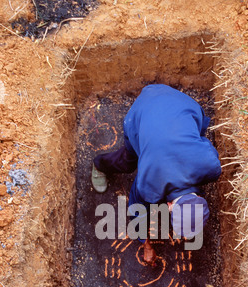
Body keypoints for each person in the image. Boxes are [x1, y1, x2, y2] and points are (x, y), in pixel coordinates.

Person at [91, 84, 221, 265]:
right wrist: (146, 244)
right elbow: (136, 210)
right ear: (168, 205)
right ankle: (100, 165)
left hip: (183, 105)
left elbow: (202, 143)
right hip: (144, 111)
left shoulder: (212, 166)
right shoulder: (148, 184)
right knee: (129, 161)